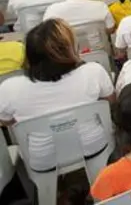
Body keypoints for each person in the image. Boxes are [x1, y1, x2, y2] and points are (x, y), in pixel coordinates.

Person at [0, 19, 115, 172]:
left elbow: (6, 121)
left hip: (43, 160)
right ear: (69, 49)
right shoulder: (93, 71)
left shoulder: (10, 88)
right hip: (96, 146)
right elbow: (110, 101)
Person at [43, 0, 115, 50]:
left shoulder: (52, 10)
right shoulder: (101, 6)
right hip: (100, 52)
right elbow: (110, 29)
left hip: (66, 53)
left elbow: (47, 33)